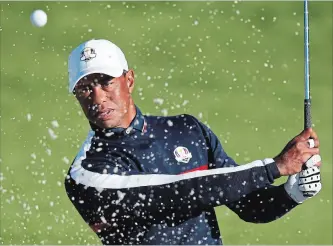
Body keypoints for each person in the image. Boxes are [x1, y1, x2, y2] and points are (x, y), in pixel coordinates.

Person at [64, 39, 322, 245]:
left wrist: (292, 193)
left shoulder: (187, 129)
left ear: (129, 80)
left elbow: (248, 205)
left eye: (106, 82)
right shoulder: (86, 174)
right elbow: (180, 191)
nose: (98, 97)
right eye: (85, 88)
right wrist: (275, 167)